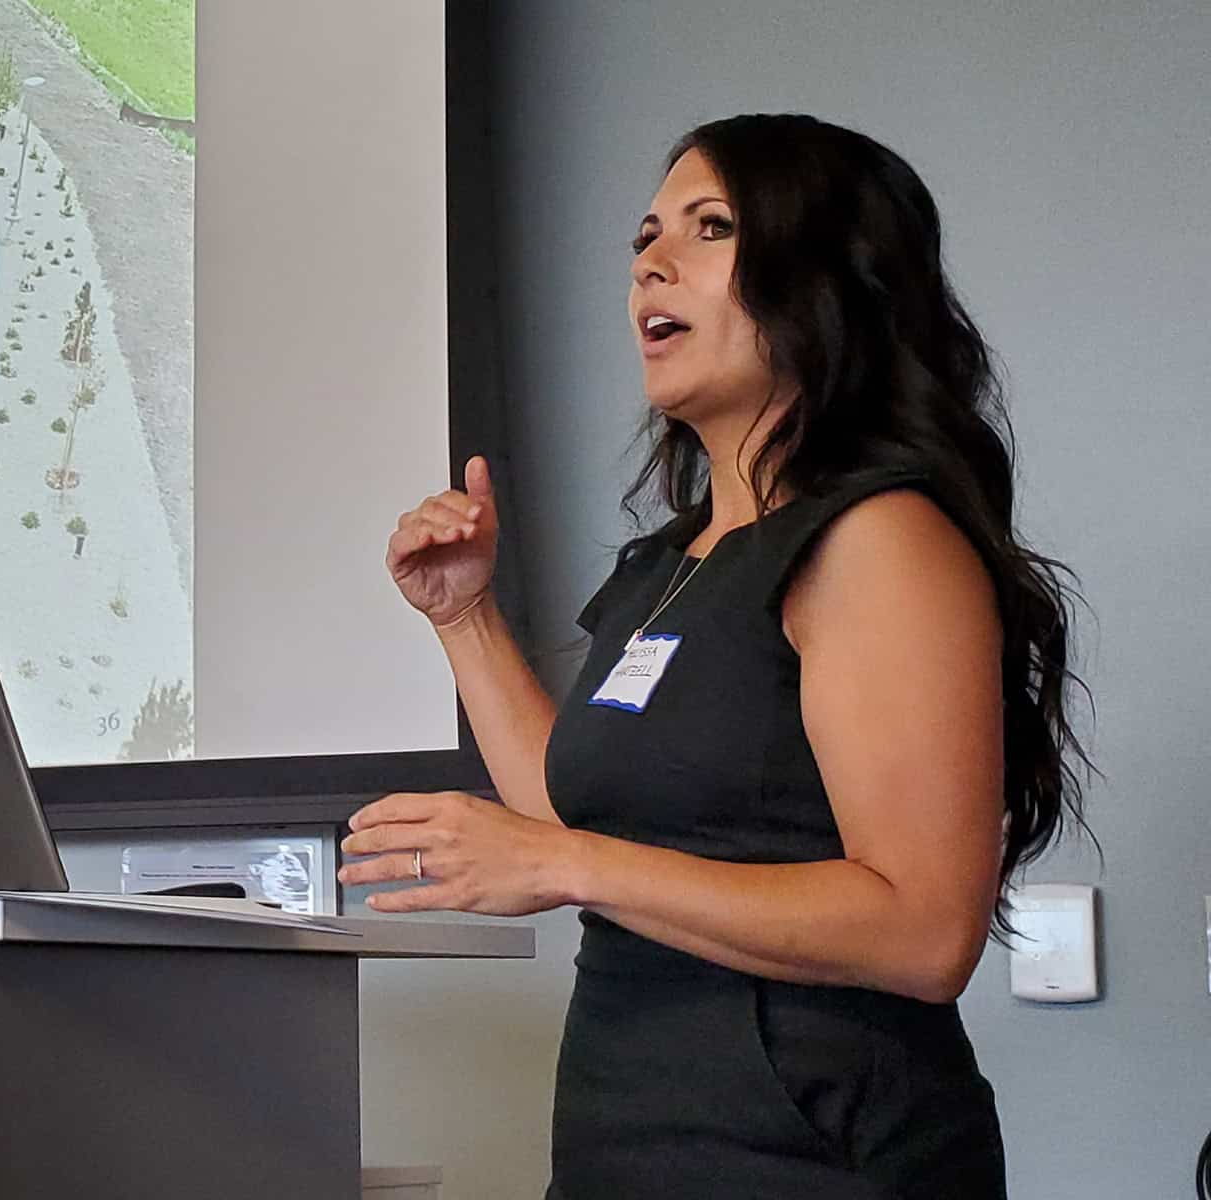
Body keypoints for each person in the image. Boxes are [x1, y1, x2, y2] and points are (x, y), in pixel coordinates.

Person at [343, 114, 1089, 1198]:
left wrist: (563, 867)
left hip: (811, 1148)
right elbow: (572, 820)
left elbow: (926, 930)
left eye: (710, 228)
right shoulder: (673, 562)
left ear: (831, 280)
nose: (652, 260)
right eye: (646, 236)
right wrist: (467, 620)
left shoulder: (878, 540)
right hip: (628, 1132)